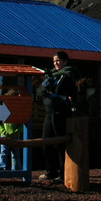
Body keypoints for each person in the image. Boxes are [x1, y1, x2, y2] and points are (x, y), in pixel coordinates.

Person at [37, 50, 79, 182]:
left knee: (61, 142)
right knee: (46, 140)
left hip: (61, 111)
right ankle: (51, 171)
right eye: (54, 61)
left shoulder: (68, 74)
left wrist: (47, 89)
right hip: (49, 111)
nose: (56, 63)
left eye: (58, 60)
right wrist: (46, 88)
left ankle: (63, 173)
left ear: (65, 61)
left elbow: (57, 90)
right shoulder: (52, 74)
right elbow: (40, 90)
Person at [0, 89, 23, 171]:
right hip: (7, 135)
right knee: (4, 152)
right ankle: (1, 167)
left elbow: (21, 123)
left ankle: (16, 168)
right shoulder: (4, 109)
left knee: (15, 153)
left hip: (12, 135)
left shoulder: (16, 111)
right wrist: (4, 132)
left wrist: (15, 132)